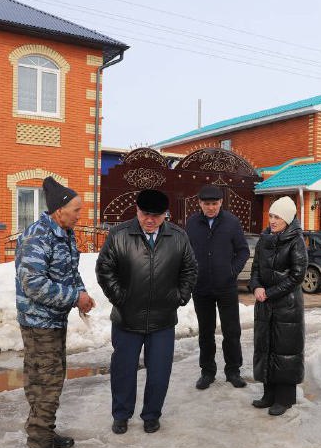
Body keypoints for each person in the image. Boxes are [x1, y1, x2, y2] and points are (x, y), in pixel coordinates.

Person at [95, 188, 198, 434]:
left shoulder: (178, 236)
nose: (149, 220)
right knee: (123, 371)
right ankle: (121, 414)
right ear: (137, 211)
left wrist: (180, 296)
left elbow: (190, 269)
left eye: (156, 215)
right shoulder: (119, 234)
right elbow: (104, 269)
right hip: (126, 319)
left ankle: (152, 415)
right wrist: (120, 298)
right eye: (144, 214)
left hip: (163, 321)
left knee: (160, 372)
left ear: (165, 215)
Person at [15, 176, 96, 448]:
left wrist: (82, 293)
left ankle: (43, 431)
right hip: (39, 322)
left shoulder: (64, 233)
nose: (79, 214)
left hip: (53, 319)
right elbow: (33, 283)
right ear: (60, 210)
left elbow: (70, 272)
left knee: (49, 378)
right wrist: (74, 298)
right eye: (76, 209)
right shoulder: (39, 237)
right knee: (46, 382)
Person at [185, 185, 251, 390]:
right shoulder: (192, 223)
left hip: (226, 287)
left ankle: (233, 371)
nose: (211, 208)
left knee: (232, 331)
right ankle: (207, 372)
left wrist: (232, 271)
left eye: (214, 203)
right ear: (200, 204)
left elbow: (243, 251)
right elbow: (186, 252)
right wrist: (192, 273)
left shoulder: (231, 222)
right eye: (207, 204)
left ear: (221, 203)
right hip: (201, 287)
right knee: (206, 332)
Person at [248, 196, 308, 416]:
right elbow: (255, 269)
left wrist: (270, 293)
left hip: (287, 306)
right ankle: (268, 394)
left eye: (277, 217)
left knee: (285, 350)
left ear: (288, 219)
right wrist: (256, 287)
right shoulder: (264, 240)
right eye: (271, 215)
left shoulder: (296, 241)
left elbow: (297, 275)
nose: (272, 220)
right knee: (266, 347)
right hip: (264, 304)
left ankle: (284, 399)